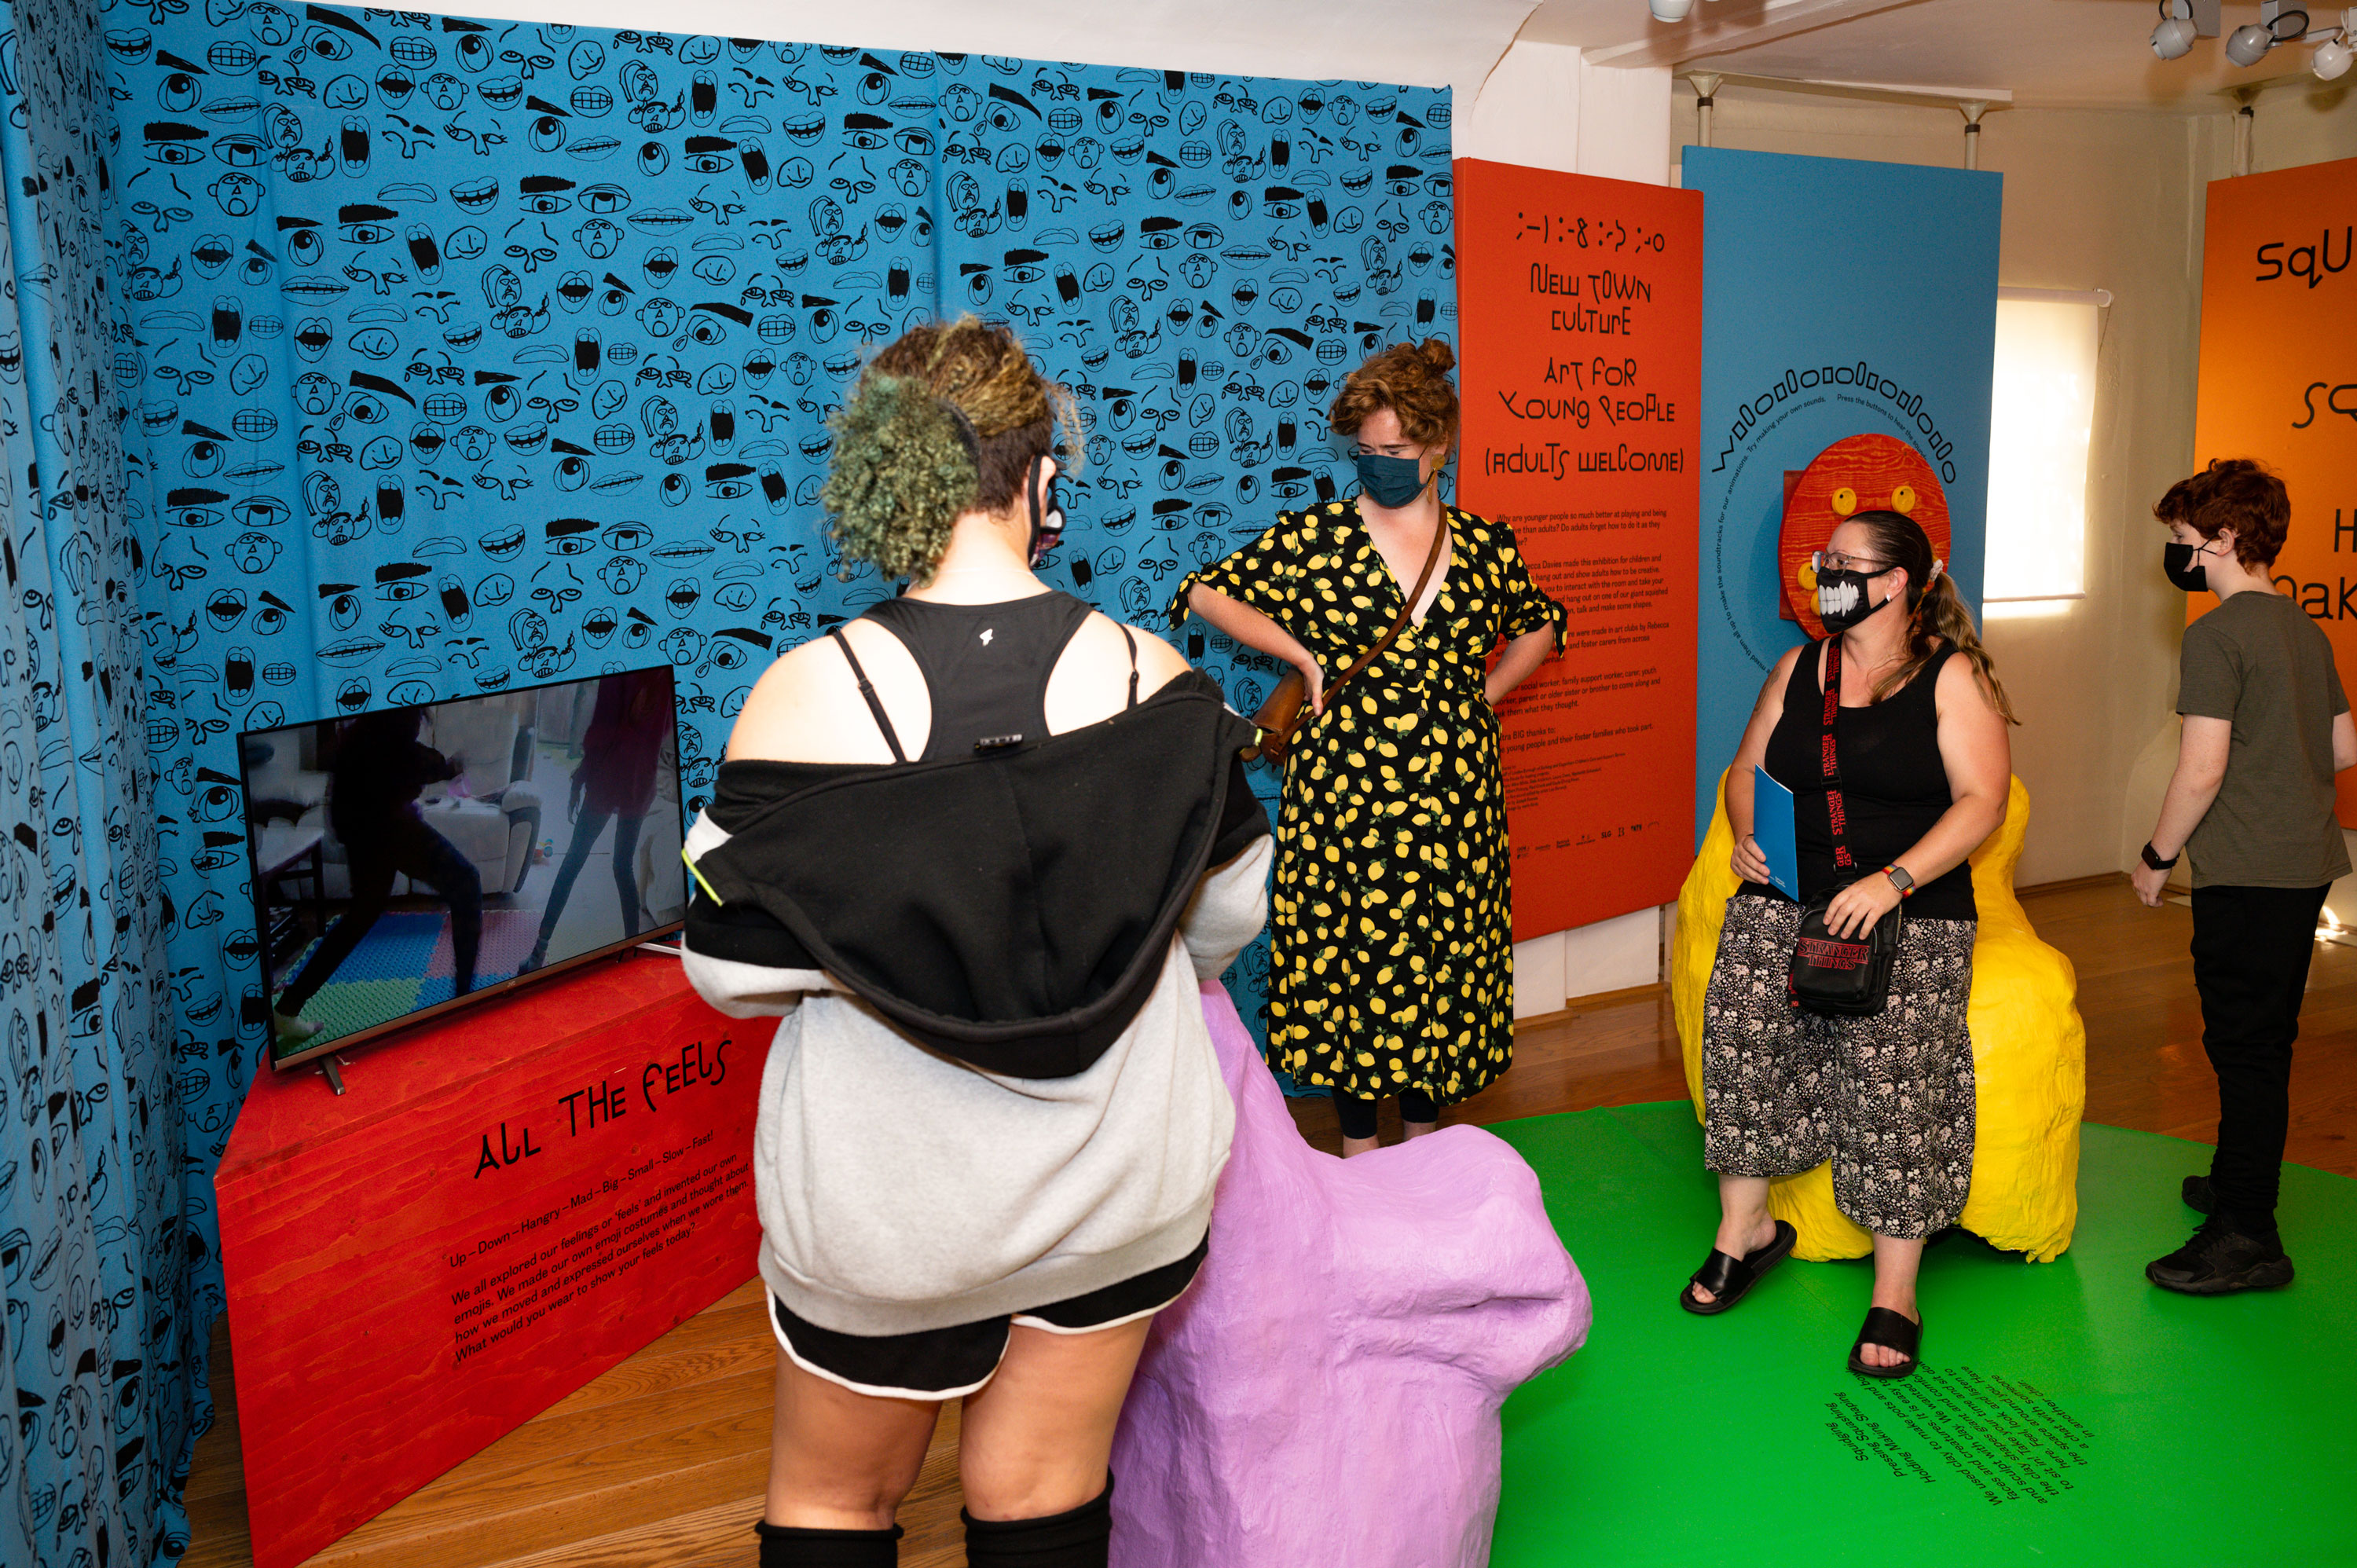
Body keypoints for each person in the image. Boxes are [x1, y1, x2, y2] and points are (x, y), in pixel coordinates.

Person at [679, 316, 1270, 1568]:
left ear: (886, 482)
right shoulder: (1157, 681)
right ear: (1041, 477)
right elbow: (1229, 914)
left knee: (839, 1503)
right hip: (1122, 1186)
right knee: (1041, 1491)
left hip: (894, 1213)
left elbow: (728, 972)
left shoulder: (801, 695)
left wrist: (887, 950)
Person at [1169, 339, 1563, 1156]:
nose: (1381, 465)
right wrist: (1305, 656)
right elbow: (1200, 592)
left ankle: (1422, 1144)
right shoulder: (1318, 536)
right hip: (1346, 792)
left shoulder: (1487, 547)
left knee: (1437, 958)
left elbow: (1541, 627)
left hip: (1453, 798)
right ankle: (1358, 1150)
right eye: (1369, 451)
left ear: (1440, 447)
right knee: (1352, 961)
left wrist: (1479, 699)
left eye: (1399, 451)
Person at [1687, 508, 2014, 1379]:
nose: (1823, 571)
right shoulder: (1799, 666)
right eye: (1823, 559)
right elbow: (1746, 766)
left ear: (1897, 582)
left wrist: (1892, 880)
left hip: (1911, 902)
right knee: (1743, 1032)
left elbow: (1983, 799)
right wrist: (1746, 828)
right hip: (1794, 887)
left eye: (1844, 562)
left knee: (1894, 1076)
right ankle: (1745, 1228)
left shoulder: (1951, 677)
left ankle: (1895, 1290)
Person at [2131, 458, 2353, 1295]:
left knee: (2246, 1048)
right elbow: (2342, 750)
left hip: (2248, 873)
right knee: (2260, 1037)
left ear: (2224, 540)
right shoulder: (2305, 630)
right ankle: (2235, 1182)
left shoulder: (2214, 637)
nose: (2179, 556)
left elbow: (2201, 769)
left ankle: (2249, 1233)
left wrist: (2156, 859)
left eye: (2184, 541)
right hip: (2306, 867)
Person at [272, 705, 482, 1043]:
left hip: (365, 827)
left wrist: (438, 767)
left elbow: (394, 759)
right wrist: (447, 766)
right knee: (467, 882)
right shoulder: (384, 724)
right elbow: (402, 755)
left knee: (361, 917)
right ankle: (465, 1004)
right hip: (386, 825)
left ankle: (287, 1009)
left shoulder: (362, 730)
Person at [521, 667, 670, 973]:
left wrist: (582, 777)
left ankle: (539, 952)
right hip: (642, 780)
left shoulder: (618, 673)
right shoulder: (665, 678)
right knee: (621, 865)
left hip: (610, 777)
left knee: (573, 861)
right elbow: (663, 731)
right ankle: (635, 947)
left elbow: (602, 730)